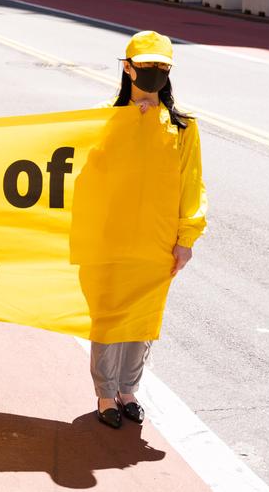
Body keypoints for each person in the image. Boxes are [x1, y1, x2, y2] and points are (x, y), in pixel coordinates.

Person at [90, 31, 206, 430]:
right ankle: (105, 393)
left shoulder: (183, 126)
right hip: (110, 237)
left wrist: (185, 239)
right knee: (109, 316)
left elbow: (193, 184)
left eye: (162, 68)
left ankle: (127, 391)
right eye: (146, 66)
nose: (154, 74)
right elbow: (85, 176)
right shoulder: (104, 119)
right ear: (127, 67)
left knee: (142, 318)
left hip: (157, 241)